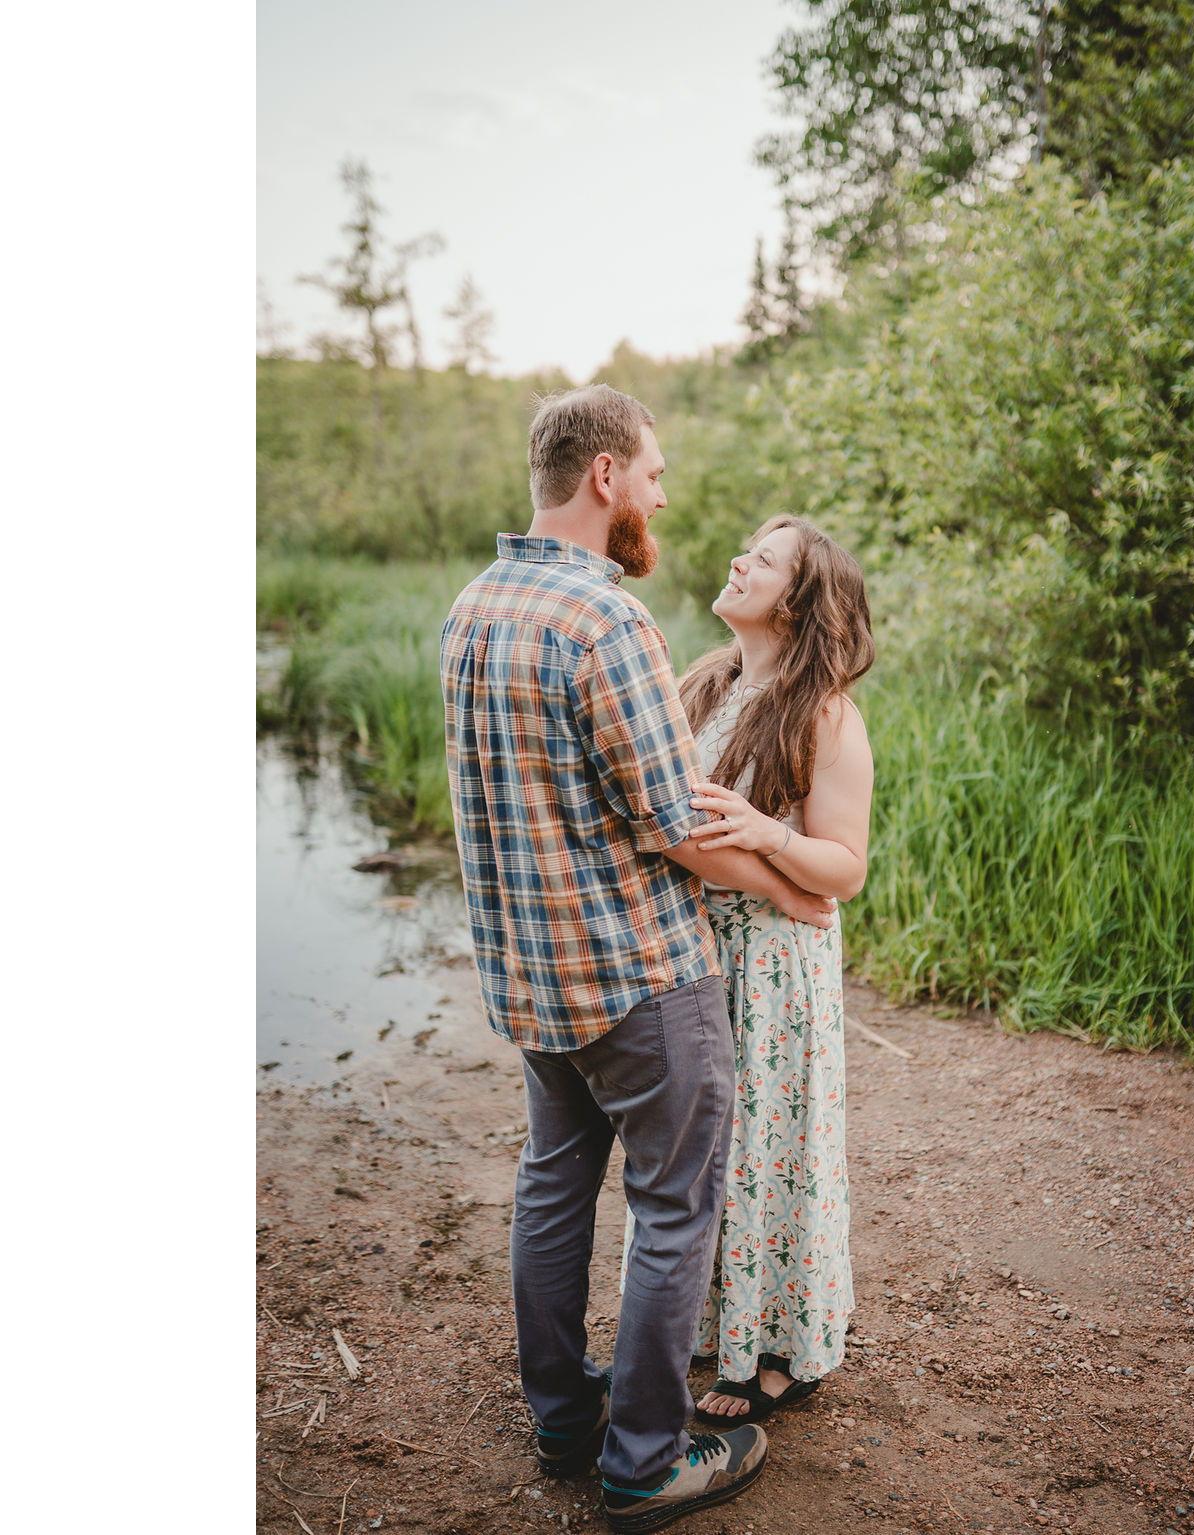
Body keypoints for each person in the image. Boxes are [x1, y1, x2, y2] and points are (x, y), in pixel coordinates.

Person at [440, 386, 835, 1531]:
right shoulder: (604, 621)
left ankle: (564, 1417)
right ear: (604, 475)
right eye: (652, 473)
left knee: (553, 1181)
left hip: (528, 975)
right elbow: (672, 821)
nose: (661, 495)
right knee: (672, 1209)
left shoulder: (474, 605)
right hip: (636, 973)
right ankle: (644, 1462)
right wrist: (788, 886)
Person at [623, 515, 874, 1424]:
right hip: (694, 948)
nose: (738, 561)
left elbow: (844, 868)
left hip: (775, 964)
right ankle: (708, 1326)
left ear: (799, 600)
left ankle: (783, 1350)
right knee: (702, 1151)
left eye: (762, 560)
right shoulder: (704, 681)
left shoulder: (826, 714)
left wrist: (772, 835)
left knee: (773, 1145)